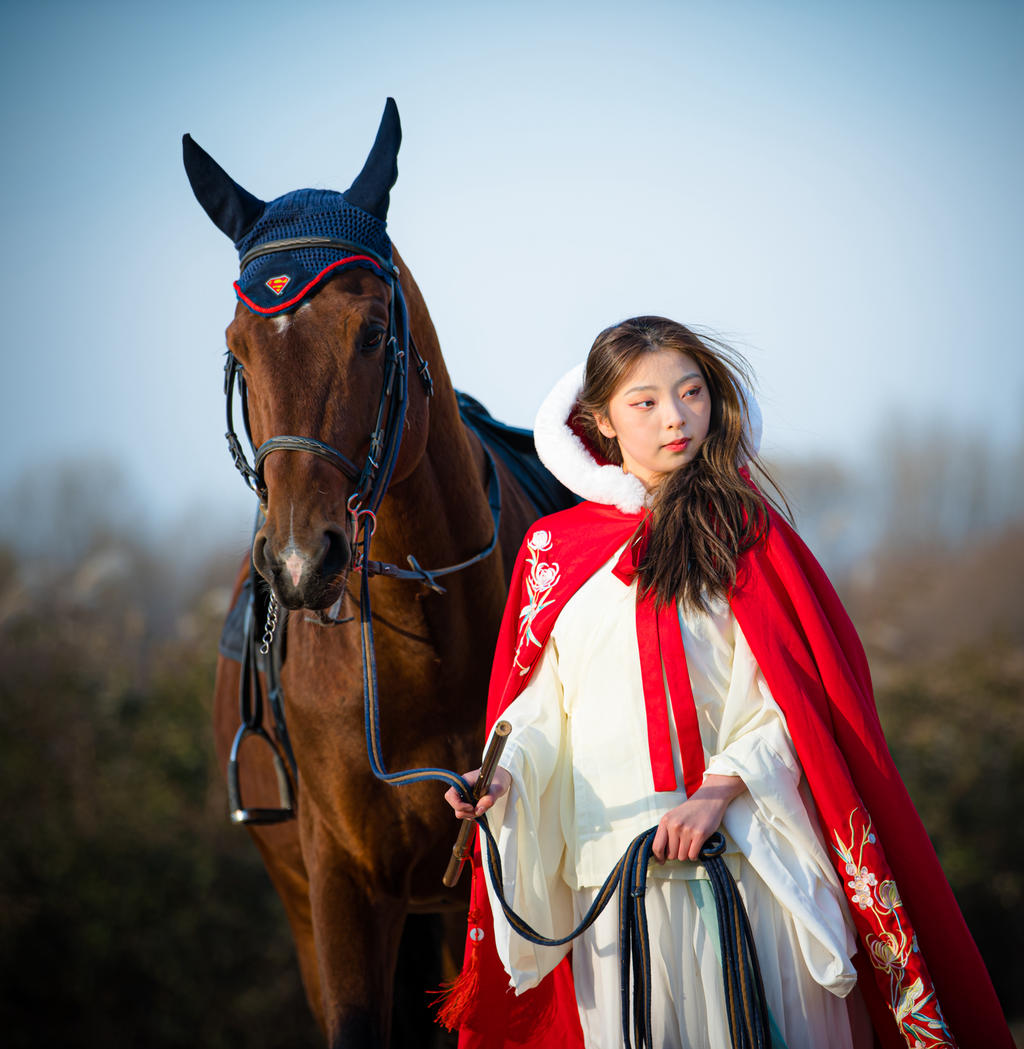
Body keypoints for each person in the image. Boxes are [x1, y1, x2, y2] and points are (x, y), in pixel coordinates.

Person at [443, 317, 1011, 1049]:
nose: (676, 416)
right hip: (613, 885)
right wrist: (500, 774)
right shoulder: (554, 550)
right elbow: (541, 712)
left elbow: (794, 697)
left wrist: (719, 788)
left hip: (748, 863)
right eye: (644, 402)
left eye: (690, 392)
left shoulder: (745, 530)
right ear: (602, 424)